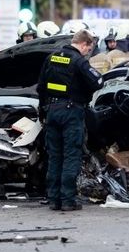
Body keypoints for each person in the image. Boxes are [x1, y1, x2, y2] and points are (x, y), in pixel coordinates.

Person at [37, 29, 103, 211]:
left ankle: (54, 199)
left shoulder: (51, 58)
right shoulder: (79, 61)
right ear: (84, 44)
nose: (87, 53)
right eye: (88, 49)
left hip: (51, 112)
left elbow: (41, 88)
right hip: (71, 113)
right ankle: (67, 200)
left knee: (55, 156)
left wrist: (42, 112)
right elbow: (98, 82)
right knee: (71, 156)